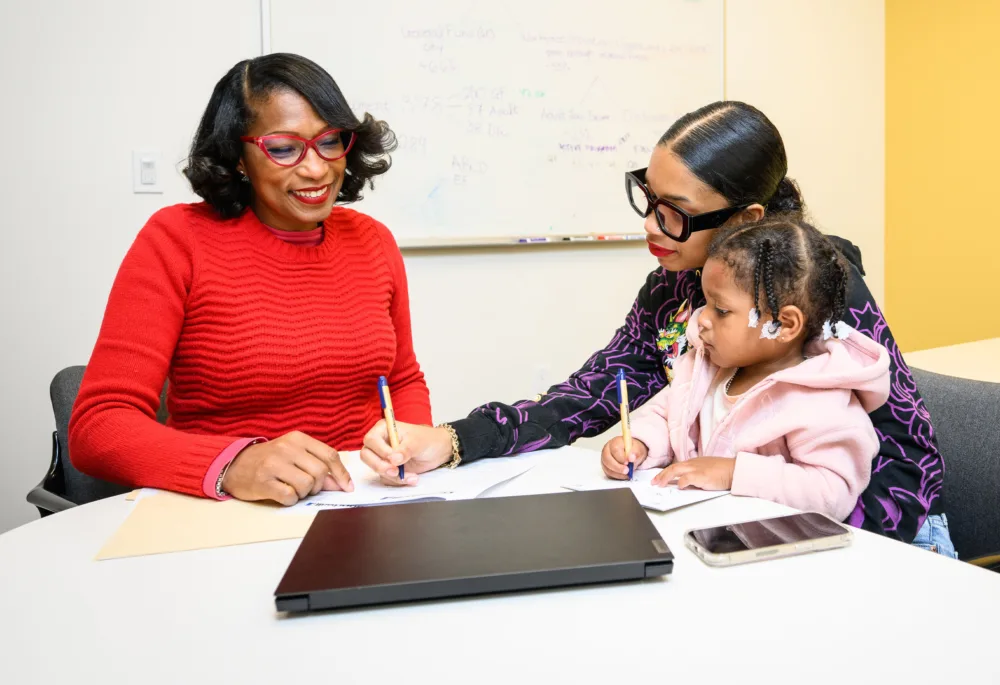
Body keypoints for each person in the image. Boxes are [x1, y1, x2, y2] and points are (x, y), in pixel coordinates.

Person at [360, 101, 955, 556]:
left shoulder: (812, 292)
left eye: (675, 210)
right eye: (648, 194)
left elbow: (909, 457)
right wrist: (457, 439)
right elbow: (594, 392)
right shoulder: (675, 285)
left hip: (866, 541)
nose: (651, 222)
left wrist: (812, 549)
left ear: (745, 219)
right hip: (741, 533)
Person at [69, 53, 431, 506]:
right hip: (232, 515)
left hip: (361, 504)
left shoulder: (373, 241)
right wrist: (232, 463)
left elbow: (401, 381)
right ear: (238, 157)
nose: (316, 169)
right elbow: (99, 426)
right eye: (282, 148)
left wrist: (410, 443)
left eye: (330, 141)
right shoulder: (177, 240)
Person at [602, 215, 890, 522]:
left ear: (784, 324)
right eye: (707, 303)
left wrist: (733, 473)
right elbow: (665, 413)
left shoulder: (822, 401)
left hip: (774, 555)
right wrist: (641, 445)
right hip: (701, 531)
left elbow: (830, 492)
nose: (701, 319)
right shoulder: (706, 363)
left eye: (721, 310)